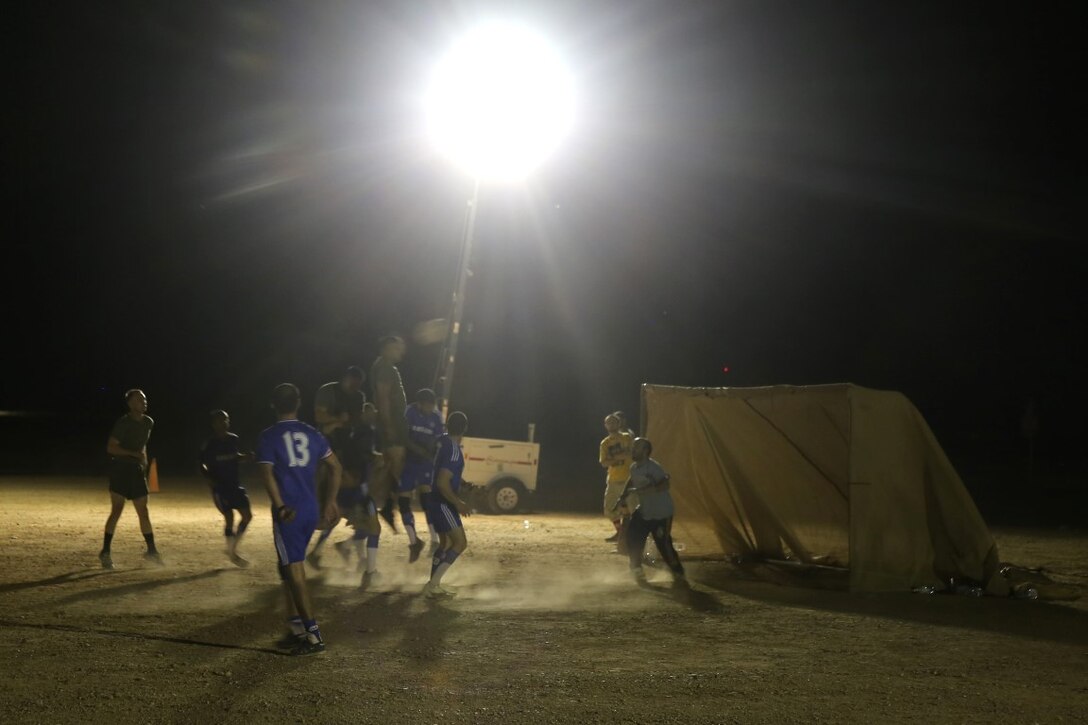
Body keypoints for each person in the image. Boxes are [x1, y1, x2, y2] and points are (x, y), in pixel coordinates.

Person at [256, 383, 342, 656]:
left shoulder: (268, 437)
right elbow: (336, 468)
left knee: (294, 571)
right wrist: (329, 502)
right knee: (287, 569)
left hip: (289, 512)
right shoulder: (312, 433)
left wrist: (280, 506)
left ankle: (313, 635)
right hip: (310, 508)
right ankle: (295, 629)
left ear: (272, 405)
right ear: (299, 402)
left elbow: (267, 475)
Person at [307, 367, 367, 567]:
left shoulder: (358, 397)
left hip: (347, 446)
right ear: (345, 378)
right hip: (326, 444)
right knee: (324, 473)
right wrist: (338, 421)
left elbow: (354, 421)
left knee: (353, 484)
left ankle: (321, 548)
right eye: (353, 382)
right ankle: (317, 510)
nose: (355, 387)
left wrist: (339, 423)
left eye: (358, 384)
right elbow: (320, 419)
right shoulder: (328, 391)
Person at [99, 389, 162, 569]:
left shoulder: (148, 422)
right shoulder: (123, 423)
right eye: (139, 399)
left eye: (144, 398)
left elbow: (143, 446)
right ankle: (105, 551)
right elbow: (111, 448)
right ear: (130, 404)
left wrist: (144, 463)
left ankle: (151, 551)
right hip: (120, 470)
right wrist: (132, 454)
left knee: (143, 511)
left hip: (136, 472)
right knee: (117, 510)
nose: (144, 401)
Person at [616, 437, 687, 588]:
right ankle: (636, 569)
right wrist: (623, 496)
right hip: (644, 511)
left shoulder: (654, 467)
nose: (633, 449)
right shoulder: (634, 467)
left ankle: (678, 573)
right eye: (633, 446)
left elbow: (665, 484)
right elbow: (632, 479)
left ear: (646, 451)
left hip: (661, 513)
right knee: (633, 538)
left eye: (637, 447)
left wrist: (642, 490)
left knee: (664, 545)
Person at [421, 412, 472, 599]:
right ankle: (432, 585)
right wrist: (459, 503)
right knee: (460, 543)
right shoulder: (454, 450)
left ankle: (434, 583)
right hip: (443, 502)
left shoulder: (441, 441)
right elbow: (443, 482)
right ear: (464, 428)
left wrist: (462, 482)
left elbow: (442, 471)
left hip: (433, 499)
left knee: (445, 543)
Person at [199, 409, 254, 567]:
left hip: (235, 485)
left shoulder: (233, 439)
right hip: (220, 488)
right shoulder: (209, 444)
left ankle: (232, 548)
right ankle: (232, 552)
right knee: (229, 517)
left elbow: (235, 457)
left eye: (226, 420)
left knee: (247, 516)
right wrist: (210, 479)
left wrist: (246, 457)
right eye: (219, 420)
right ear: (213, 424)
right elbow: (200, 464)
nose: (223, 423)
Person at [400, 388, 444, 562]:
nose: (431, 408)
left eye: (433, 405)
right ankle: (414, 541)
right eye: (428, 405)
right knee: (403, 500)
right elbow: (404, 437)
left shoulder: (436, 416)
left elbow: (438, 440)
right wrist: (419, 449)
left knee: (426, 499)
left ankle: (434, 540)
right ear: (420, 404)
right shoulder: (410, 411)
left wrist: (434, 455)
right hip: (410, 460)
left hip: (425, 462)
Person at [370, 336, 408, 531]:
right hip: (391, 427)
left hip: (393, 425)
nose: (399, 351)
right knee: (393, 467)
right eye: (395, 348)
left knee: (393, 468)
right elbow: (383, 398)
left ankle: (383, 505)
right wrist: (389, 426)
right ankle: (378, 505)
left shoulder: (385, 367)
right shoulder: (385, 368)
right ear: (385, 348)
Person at [599, 413, 634, 547]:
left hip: (628, 479)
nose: (611, 425)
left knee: (631, 509)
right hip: (613, 479)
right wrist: (618, 458)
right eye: (608, 423)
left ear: (619, 424)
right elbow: (604, 463)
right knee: (609, 508)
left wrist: (618, 458)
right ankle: (621, 533)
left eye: (613, 422)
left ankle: (630, 536)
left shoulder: (627, 438)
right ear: (605, 425)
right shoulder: (605, 443)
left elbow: (634, 453)